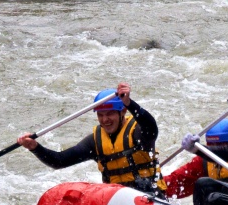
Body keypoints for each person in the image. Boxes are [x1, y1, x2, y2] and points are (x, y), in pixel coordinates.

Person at [18, 83, 166, 195]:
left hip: (150, 197)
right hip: (118, 202)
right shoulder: (95, 142)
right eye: (100, 115)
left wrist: (129, 103)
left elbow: (151, 127)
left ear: (123, 112)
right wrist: (34, 147)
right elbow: (59, 161)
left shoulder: (138, 132)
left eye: (110, 114)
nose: (105, 120)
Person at [164, 98, 228, 203]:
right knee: (201, 185)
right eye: (212, 145)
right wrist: (153, 183)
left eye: (220, 145)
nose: (216, 149)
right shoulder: (203, 161)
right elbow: (177, 181)